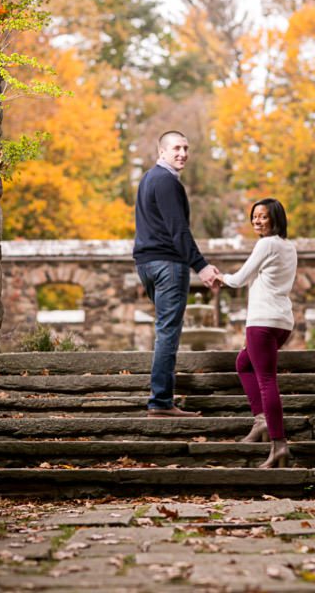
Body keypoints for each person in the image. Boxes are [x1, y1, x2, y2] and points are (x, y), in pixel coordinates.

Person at [133, 131, 219, 417]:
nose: (182, 153)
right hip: (167, 264)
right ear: (161, 152)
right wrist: (202, 266)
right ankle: (160, 402)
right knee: (167, 332)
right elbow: (178, 230)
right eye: (176, 148)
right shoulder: (166, 181)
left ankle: (161, 399)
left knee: (164, 330)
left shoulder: (148, 178)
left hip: (147, 264)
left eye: (186, 148)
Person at [214, 198, 297, 469]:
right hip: (282, 321)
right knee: (243, 363)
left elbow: (239, 279)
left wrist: (218, 276)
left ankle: (279, 444)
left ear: (275, 218)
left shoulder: (266, 244)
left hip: (262, 322)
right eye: (254, 217)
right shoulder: (289, 247)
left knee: (267, 381)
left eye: (262, 216)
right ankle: (261, 420)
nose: (256, 221)